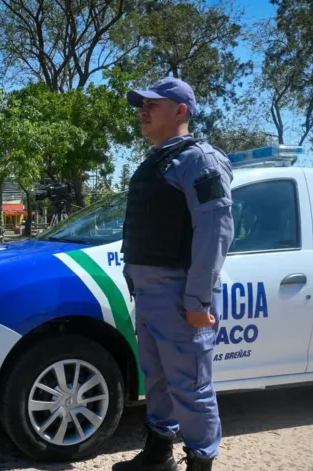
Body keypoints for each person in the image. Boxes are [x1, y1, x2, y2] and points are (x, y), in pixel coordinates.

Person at [113, 77, 234, 471]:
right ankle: (159, 452)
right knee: (158, 377)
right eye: (141, 105)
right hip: (149, 293)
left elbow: (215, 230)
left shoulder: (201, 159)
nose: (142, 111)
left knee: (191, 385)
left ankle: (201, 462)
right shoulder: (157, 159)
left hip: (179, 293)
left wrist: (198, 300)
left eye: (153, 104)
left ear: (181, 110)